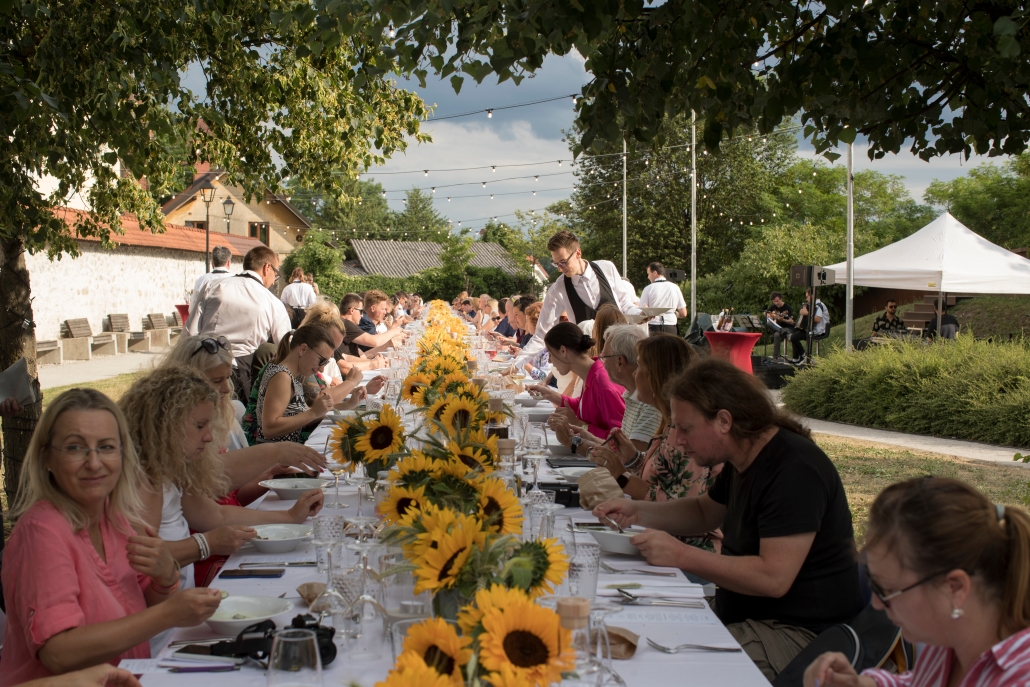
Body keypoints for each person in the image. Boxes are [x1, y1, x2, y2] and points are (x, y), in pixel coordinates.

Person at [594, 357, 864, 680]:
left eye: (684, 428)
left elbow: (773, 577)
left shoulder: (794, 470)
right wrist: (637, 511)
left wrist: (680, 554)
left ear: (724, 420)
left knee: (669, 671)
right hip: (750, 617)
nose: (677, 440)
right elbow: (704, 511)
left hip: (800, 635)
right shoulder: (744, 456)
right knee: (635, 633)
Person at [1, 388, 221, 686]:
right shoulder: (43, 532)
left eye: (106, 447)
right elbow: (58, 652)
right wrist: (169, 614)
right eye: (75, 448)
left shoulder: (112, 517)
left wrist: (166, 577)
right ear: (46, 459)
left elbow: (140, 607)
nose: (94, 463)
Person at [804, 477, 1030, 687]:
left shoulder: (1018, 678)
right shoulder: (948, 636)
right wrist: (862, 684)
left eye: (888, 590)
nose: (877, 604)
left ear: (955, 587)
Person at [120, 366, 324, 593]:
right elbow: (139, 557)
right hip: (166, 615)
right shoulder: (146, 480)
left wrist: (289, 517)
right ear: (164, 424)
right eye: (199, 426)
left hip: (179, 602)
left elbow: (215, 515)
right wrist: (206, 544)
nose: (208, 436)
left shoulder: (171, 468)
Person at [589, 334, 712, 507]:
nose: (633, 373)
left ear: (656, 377)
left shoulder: (686, 433)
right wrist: (633, 458)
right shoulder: (670, 422)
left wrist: (622, 477)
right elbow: (664, 474)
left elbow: (683, 506)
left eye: (639, 366)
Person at [517, 231, 641, 367]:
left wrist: (639, 314)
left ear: (578, 253)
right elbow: (542, 333)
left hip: (620, 353)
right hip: (589, 361)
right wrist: (516, 364)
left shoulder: (606, 268)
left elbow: (624, 304)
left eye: (563, 262)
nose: (559, 268)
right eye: (556, 263)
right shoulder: (559, 288)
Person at [185, 245, 291, 399]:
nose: (274, 281)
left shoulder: (212, 286)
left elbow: (190, 332)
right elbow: (285, 346)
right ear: (267, 267)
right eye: (275, 273)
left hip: (205, 363)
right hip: (243, 372)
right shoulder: (272, 302)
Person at [550, 324, 662, 457]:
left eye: (604, 357)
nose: (601, 362)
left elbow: (630, 461)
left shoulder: (650, 404)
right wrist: (588, 436)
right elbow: (619, 449)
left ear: (620, 362)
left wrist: (574, 441)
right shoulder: (630, 395)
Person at [245, 325, 345, 444]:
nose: (322, 369)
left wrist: (347, 405)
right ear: (303, 349)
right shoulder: (282, 376)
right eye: (322, 361)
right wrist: (313, 413)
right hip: (275, 458)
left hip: (284, 454)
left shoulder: (292, 374)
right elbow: (269, 429)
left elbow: (299, 415)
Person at [527, 322, 626, 438]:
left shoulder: (602, 383)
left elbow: (621, 439)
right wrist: (549, 395)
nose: (549, 361)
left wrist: (578, 424)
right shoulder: (591, 373)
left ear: (563, 351)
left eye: (550, 354)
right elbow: (583, 406)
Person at [338, 292, 405, 358]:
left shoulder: (346, 324)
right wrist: (395, 331)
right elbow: (375, 341)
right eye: (361, 311)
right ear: (352, 310)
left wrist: (389, 342)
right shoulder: (346, 324)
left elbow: (363, 356)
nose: (362, 315)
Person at [639, 262, 687, 335]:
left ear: (655, 273)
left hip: (654, 327)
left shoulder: (648, 289)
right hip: (671, 327)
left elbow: (642, 313)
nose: (648, 277)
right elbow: (683, 313)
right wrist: (672, 313)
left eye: (648, 274)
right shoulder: (675, 287)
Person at [790, 288, 829, 364]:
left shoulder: (818, 305)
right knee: (795, 331)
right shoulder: (814, 305)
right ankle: (797, 357)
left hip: (818, 331)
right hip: (813, 329)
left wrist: (806, 313)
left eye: (807, 296)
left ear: (812, 295)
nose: (806, 298)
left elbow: (818, 319)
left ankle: (805, 356)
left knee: (794, 337)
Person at [189, 246, 233, 315]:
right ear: (228, 262)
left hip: (207, 323)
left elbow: (192, 309)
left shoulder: (201, 281)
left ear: (212, 263)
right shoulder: (237, 280)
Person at [765, 291, 796, 359]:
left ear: (781, 299)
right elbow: (765, 313)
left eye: (777, 301)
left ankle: (775, 356)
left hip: (788, 328)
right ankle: (776, 356)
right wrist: (770, 315)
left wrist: (782, 320)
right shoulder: (773, 307)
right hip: (779, 328)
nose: (776, 303)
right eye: (774, 301)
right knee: (769, 323)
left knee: (776, 334)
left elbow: (791, 321)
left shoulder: (787, 307)